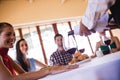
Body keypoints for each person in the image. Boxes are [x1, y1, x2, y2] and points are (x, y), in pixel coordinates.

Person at [0, 22, 78, 80]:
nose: (13, 37)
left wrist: (49, 68)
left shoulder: (6, 56)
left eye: (14, 34)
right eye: (8, 34)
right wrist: (48, 70)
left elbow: (24, 73)